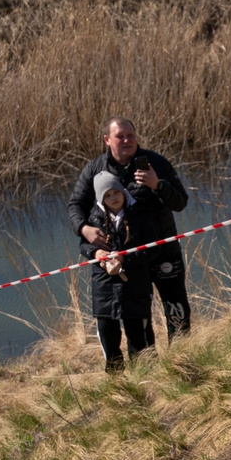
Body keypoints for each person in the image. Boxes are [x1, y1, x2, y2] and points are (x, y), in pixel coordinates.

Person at [69, 118, 191, 341]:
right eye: (120, 136)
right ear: (107, 140)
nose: (126, 140)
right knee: (138, 317)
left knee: (177, 309)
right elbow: (75, 204)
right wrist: (84, 228)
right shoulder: (95, 169)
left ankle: (183, 359)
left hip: (163, 249)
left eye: (130, 135)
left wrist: (158, 185)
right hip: (129, 259)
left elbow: (181, 202)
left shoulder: (156, 163)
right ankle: (148, 365)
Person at [79, 170, 174, 369]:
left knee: (137, 333)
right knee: (107, 331)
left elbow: (153, 248)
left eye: (116, 192)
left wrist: (125, 258)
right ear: (100, 198)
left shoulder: (139, 214)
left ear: (123, 192)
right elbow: (84, 246)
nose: (113, 198)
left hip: (135, 282)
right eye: (107, 195)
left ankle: (142, 374)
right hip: (104, 284)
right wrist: (96, 254)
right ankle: (115, 377)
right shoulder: (93, 218)